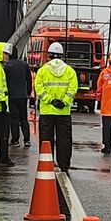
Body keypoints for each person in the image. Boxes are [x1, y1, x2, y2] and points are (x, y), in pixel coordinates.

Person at [35, 42, 78, 173]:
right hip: (63, 112)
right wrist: (64, 102)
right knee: (64, 140)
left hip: (47, 111)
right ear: (61, 55)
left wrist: (50, 100)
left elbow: (39, 89)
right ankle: (64, 165)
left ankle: (47, 162)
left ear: (49, 55)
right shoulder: (70, 71)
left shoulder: (42, 70)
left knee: (46, 140)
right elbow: (72, 89)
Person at [4, 46, 32, 147]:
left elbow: (4, 82)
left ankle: (15, 140)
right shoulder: (24, 65)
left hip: (12, 96)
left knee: (14, 118)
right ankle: (27, 139)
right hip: (23, 95)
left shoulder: (6, 66)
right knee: (24, 118)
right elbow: (29, 80)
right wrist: (28, 92)